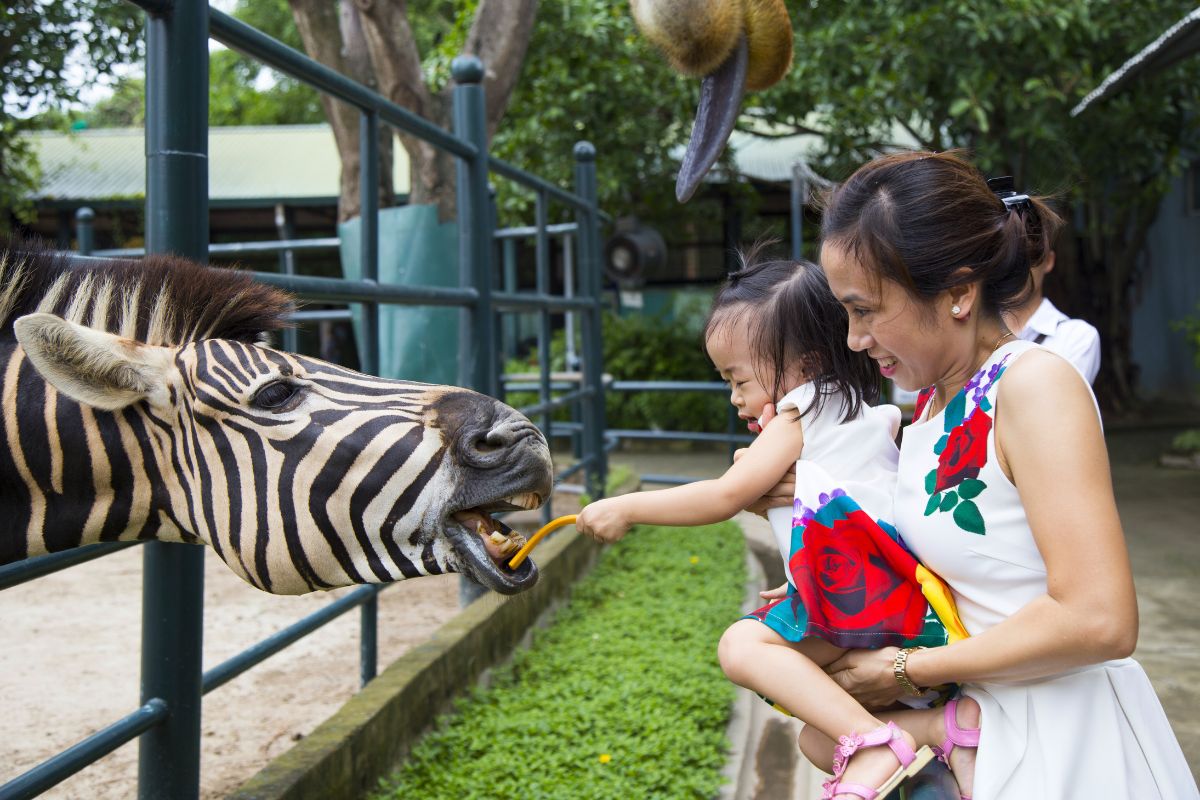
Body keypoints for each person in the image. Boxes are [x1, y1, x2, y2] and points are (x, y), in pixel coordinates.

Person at [792, 149, 1197, 799]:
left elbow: (1100, 619)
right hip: (978, 737)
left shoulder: (1032, 386)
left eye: (865, 309)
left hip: (1065, 743)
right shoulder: (925, 407)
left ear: (957, 290)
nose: (853, 338)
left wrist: (904, 670)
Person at [576, 251, 971, 800]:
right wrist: (801, 574)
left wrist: (628, 506)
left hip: (868, 600)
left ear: (804, 367)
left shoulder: (801, 409)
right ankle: (940, 735)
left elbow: (723, 495)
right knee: (815, 740)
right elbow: (860, 511)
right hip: (896, 596)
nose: (735, 397)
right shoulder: (861, 410)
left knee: (742, 647)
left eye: (738, 379)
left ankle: (878, 745)